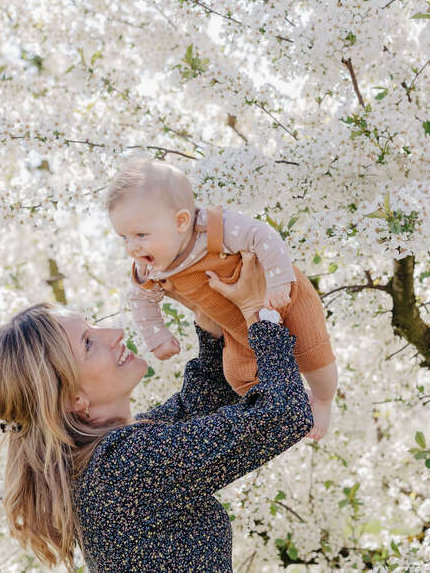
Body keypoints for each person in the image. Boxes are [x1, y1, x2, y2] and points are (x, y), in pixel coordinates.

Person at [0, 252, 313, 572]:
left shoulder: (106, 461)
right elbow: (284, 415)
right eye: (88, 343)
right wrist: (260, 311)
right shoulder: (122, 466)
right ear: (72, 399)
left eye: (92, 326)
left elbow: (197, 406)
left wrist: (208, 317)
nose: (115, 334)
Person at [106, 157, 338, 439]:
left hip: (284, 298)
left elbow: (262, 236)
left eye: (141, 234)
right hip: (238, 326)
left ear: (180, 221)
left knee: (313, 353)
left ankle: (323, 401)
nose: (132, 247)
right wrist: (157, 336)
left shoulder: (214, 230)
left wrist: (279, 280)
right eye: (124, 238)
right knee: (238, 375)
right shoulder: (151, 266)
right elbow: (142, 299)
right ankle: (292, 400)